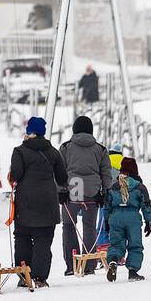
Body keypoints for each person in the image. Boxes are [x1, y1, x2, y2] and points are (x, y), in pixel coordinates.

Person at [7, 116, 67, 289]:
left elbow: (15, 175)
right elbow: (62, 178)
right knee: (43, 241)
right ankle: (40, 278)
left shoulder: (19, 151)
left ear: (28, 132)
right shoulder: (54, 152)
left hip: (25, 204)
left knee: (23, 238)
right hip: (48, 203)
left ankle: (23, 274)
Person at [59, 115, 113, 275]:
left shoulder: (65, 147)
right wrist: (105, 191)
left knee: (69, 226)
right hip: (93, 192)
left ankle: (72, 265)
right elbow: (106, 173)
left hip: (72, 191)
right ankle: (89, 266)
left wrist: (60, 191)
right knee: (89, 227)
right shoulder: (101, 149)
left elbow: (60, 171)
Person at [103, 157, 151, 282]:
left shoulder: (113, 187)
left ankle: (113, 261)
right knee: (135, 245)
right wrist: (148, 221)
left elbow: (106, 206)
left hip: (115, 218)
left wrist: (106, 221)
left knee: (116, 244)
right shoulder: (140, 187)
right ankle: (132, 271)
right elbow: (146, 205)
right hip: (133, 218)